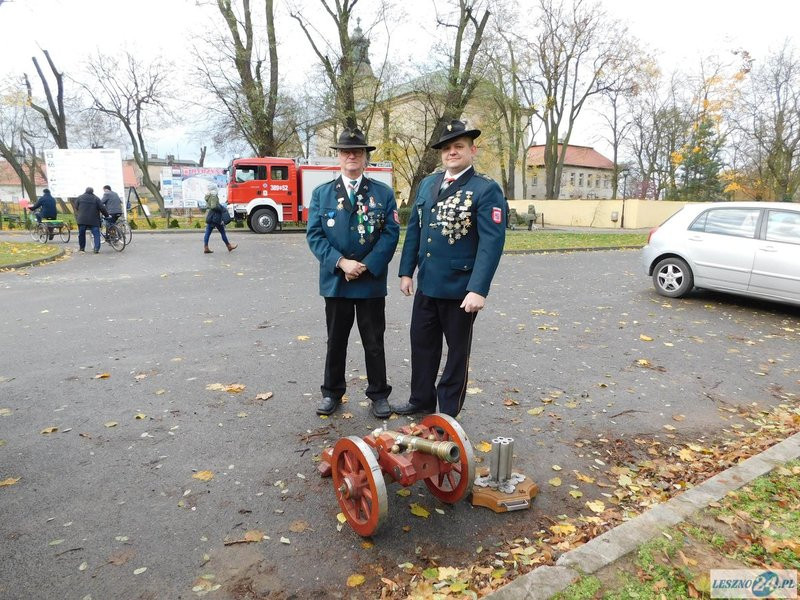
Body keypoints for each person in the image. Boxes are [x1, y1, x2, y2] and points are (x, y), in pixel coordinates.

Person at [393, 119, 506, 418]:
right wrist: (406, 271)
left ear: (472, 151)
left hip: (460, 289)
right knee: (422, 345)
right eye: (446, 148)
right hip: (428, 284)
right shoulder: (428, 184)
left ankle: (447, 412)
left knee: (457, 353)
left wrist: (478, 289)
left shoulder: (485, 189)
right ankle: (421, 400)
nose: (452, 152)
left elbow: (491, 243)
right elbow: (415, 230)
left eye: (459, 146)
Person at [306, 127, 400, 418]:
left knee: (374, 342)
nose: (351, 156)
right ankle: (332, 392)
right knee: (336, 341)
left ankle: (379, 394)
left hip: (370, 280)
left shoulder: (382, 193)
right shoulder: (322, 194)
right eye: (346, 151)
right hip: (336, 281)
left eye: (357, 151)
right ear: (339, 156)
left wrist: (366, 265)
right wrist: (341, 263)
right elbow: (315, 235)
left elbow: (391, 234)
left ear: (365, 157)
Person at [203, 184, 236, 253]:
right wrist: (221, 208)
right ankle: (229, 246)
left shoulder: (208, 196)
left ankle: (206, 247)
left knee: (207, 232)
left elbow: (209, 206)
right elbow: (213, 206)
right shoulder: (213, 195)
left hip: (210, 216)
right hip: (216, 217)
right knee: (222, 232)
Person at [75, 187, 109, 253]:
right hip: (94, 220)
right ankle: (96, 249)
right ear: (92, 192)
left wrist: (81, 211)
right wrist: (106, 215)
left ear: (85, 191)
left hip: (82, 219)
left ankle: (82, 248)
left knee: (81, 234)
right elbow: (102, 208)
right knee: (96, 234)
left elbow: (76, 207)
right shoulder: (96, 198)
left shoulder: (80, 197)